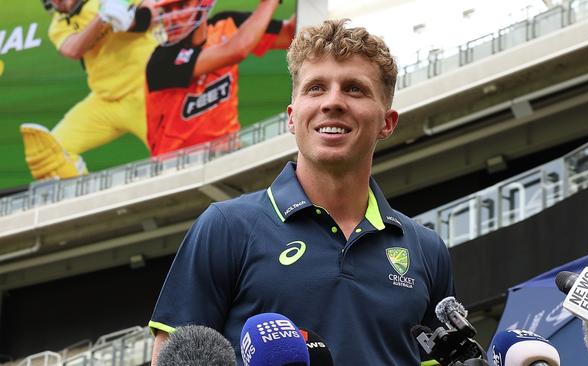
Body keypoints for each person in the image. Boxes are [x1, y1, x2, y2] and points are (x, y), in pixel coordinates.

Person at [149, 19, 455, 365]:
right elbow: (174, 356)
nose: (333, 102)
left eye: (354, 89)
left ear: (387, 122)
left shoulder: (427, 251)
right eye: (316, 88)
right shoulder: (226, 226)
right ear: (292, 117)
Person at [22, 0, 157, 180]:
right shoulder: (58, 25)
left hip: (146, 92)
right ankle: (84, 199)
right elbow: (73, 50)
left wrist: (130, 21)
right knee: (50, 154)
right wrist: (102, 17)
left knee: (174, 150)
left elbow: (154, 12)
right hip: (104, 101)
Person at [144, 0, 296, 156]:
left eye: (182, 6)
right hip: (177, 167)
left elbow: (291, 34)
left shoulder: (228, 24)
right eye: (167, 10)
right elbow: (236, 50)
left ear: (203, 4)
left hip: (230, 153)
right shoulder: (160, 62)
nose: (173, 17)